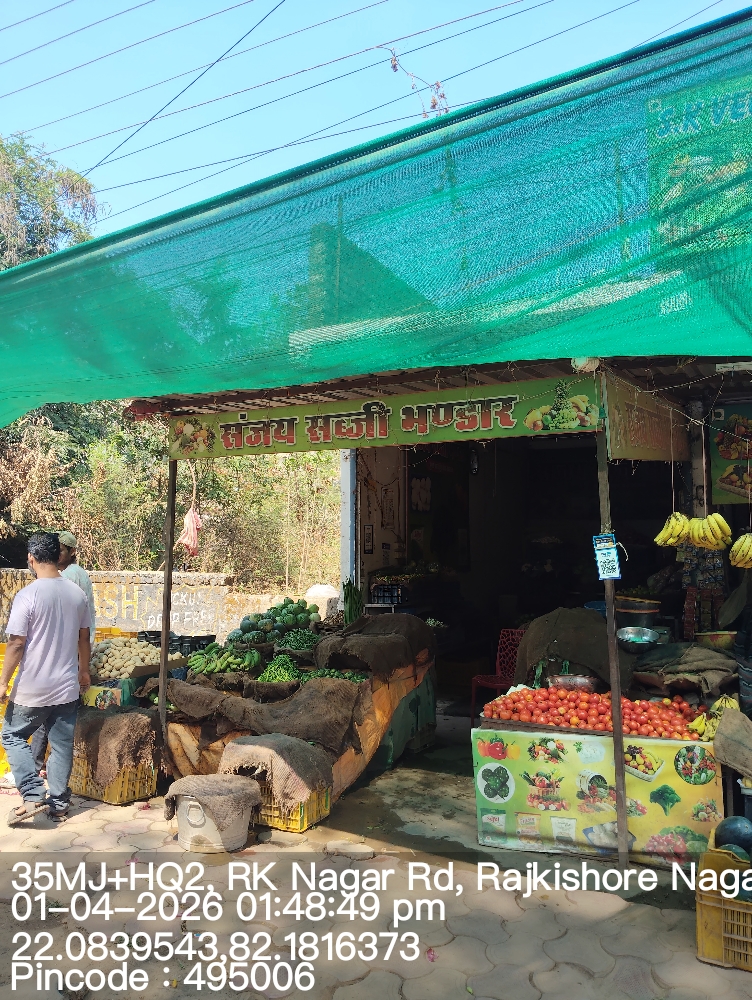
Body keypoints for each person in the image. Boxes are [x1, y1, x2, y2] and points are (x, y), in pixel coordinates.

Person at [0, 532, 91, 824]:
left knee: (12, 735)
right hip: (66, 687)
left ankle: (32, 793)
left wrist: (3, 682)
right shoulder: (76, 594)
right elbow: (84, 638)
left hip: (33, 689)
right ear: (57, 555)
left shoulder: (28, 595)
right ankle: (59, 804)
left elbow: (16, 643)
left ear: (31, 558)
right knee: (61, 745)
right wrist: (84, 671)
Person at [31, 530, 96, 775]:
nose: (56, 554)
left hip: (68, 652)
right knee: (58, 714)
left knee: (46, 712)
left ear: (72, 552)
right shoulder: (75, 574)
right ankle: (46, 767)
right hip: (72, 650)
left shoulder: (70, 575)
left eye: (60, 550)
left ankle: (37, 764)